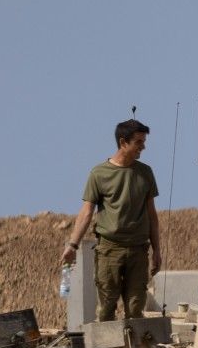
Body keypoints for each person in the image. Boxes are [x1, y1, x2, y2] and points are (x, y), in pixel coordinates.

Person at [61, 118, 163, 321]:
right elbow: (86, 212)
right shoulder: (99, 174)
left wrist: (157, 250)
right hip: (109, 250)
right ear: (123, 142)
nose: (143, 147)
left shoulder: (145, 173)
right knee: (106, 308)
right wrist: (73, 245)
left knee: (135, 310)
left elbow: (152, 215)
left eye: (144, 142)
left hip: (138, 250)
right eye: (139, 142)